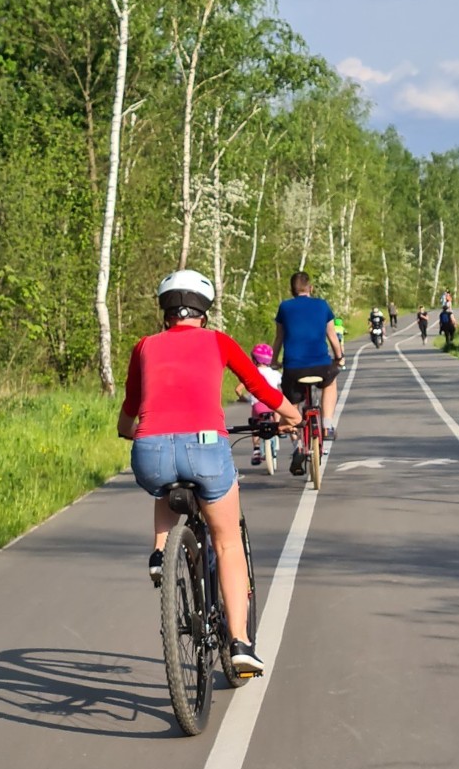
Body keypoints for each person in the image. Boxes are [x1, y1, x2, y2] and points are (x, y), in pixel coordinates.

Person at [118, 269, 302, 673]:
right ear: (204, 311)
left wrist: (143, 432)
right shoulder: (218, 342)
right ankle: (240, 643)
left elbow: (126, 418)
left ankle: (160, 552)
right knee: (227, 541)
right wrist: (291, 416)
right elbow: (259, 387)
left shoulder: (144, 346)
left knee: (164, 483)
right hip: (206, 448)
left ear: (165, 312)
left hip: (150, 453)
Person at [272, 272, 344, 472]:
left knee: (291, 403)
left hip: (293, 367)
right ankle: (327, 425)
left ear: (291, 290)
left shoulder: (284, 307)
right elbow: (332, 336)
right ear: (310, 288)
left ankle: (297, 445)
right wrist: (339, 357)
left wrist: (273, 361)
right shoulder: (322, 305)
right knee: (330, 382)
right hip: (321, 365)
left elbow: (279, 338)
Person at [234, 343, 283, 466]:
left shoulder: (251, 373)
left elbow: (238, 390)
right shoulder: (275, 373)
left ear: (254, 359)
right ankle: (279, 428)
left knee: (255, 424)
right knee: (277, 407)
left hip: (258, 406)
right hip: (272, 405)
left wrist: (243, 398)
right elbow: (282, 386)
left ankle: (256, 450)